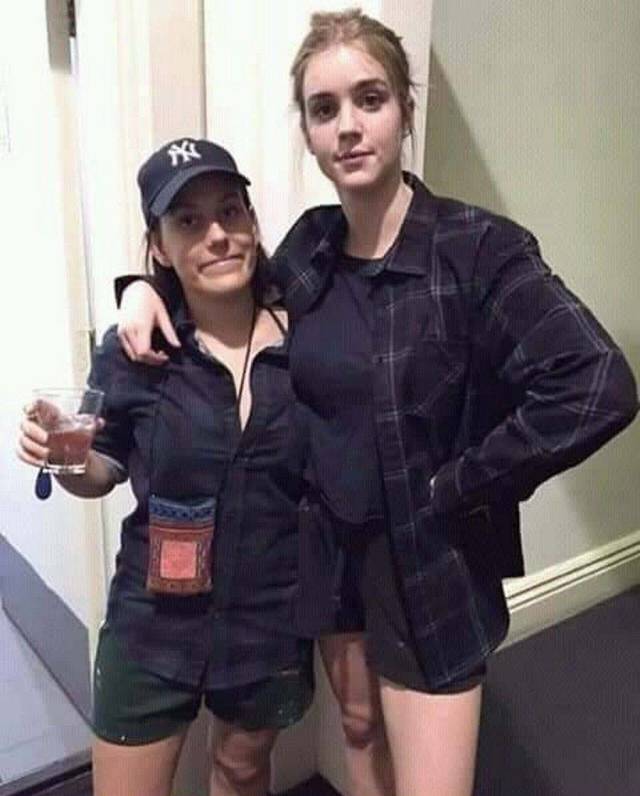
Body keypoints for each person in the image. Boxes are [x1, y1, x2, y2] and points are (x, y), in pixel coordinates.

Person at [114, 9, 639, 796]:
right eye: (325, 109)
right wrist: (142, 286)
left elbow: (596, 383)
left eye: (370, 99)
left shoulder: (476, 250)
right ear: (308, 132)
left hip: (427, 558)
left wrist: (460, 484)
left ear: (404, 109)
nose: (349, 127)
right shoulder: (311, 246)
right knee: (358, 733)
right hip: (330, 550)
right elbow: (223, 289)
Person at [17, 138, 315, 796]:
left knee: (242, 770)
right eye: (188, 221)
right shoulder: (136, 350)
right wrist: (65, 455)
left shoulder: (307, 338)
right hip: (151, 625)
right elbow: (103, 469)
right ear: (158, 245)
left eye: (230, 211)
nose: (217, 235)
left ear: (252, 220)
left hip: (268, 619)